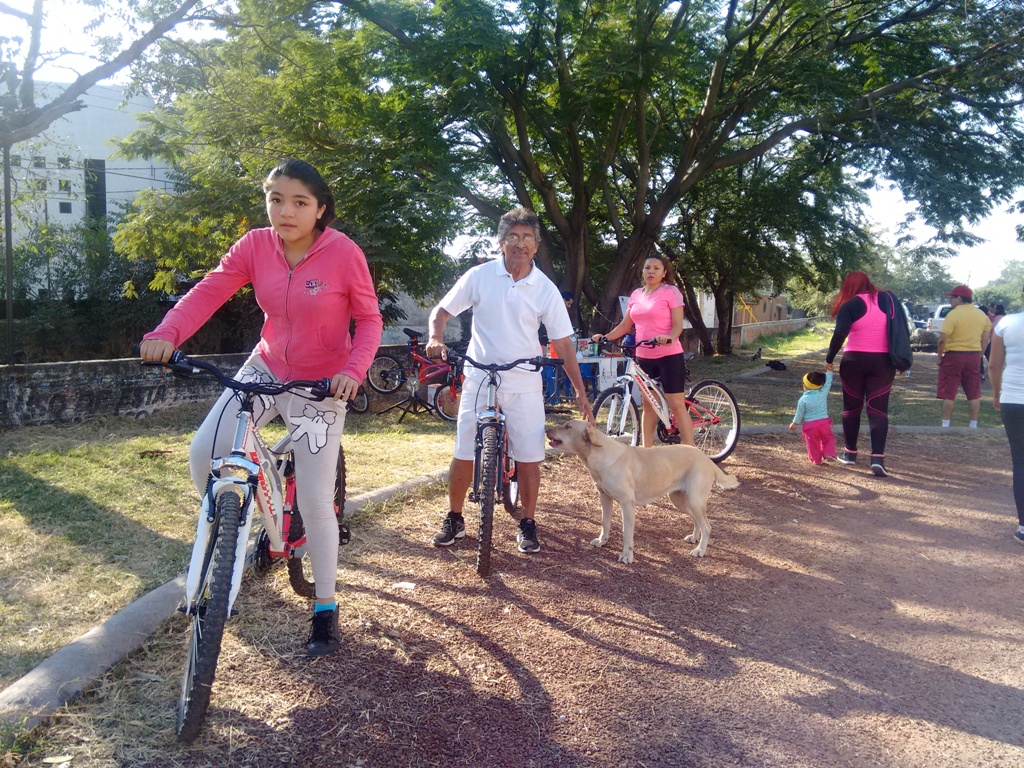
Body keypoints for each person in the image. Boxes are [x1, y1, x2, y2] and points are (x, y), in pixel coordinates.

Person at [139, 159, 383, 657]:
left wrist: (353, 372)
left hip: (322, 383)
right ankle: (240, 518)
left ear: (320, 210)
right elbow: (209, 291)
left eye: (299, 202)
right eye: (275, 199)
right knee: (205, 450)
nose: (285, 211)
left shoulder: (343, 253)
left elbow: (371, 319)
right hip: (266, 366)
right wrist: (167, 332)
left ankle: (325, 608)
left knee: (315, 502)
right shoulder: (254, 245)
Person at [425, 207, 594, 554]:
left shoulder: (544, 288)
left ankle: (528, 521)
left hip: (524, 380)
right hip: (479, 377)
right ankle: (455, 518)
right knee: (463, 450)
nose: (520, 244)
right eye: (513, 237)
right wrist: (435, 337)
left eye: (527, 238)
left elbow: (562, 342)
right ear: (501, 243)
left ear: (536, 245)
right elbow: (442, 311)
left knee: (530, 454)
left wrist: (579, 390)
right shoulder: (480, 276)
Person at [591, 254, 695, 448]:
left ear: (664, 273)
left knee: (676, 404)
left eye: (656, 268)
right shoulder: (637, 295)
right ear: (643, 270)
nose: (651, 272)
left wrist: (670, 337)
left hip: (669, 355)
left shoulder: (671, 292)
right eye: (648, 268)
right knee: (648, 406)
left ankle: (692, 453)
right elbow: (625, 325)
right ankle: (647, 452)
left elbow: (678, 325)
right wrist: (606, 337)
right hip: (644, 357)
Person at [825, 271, 905, 477]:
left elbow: (839, 335)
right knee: (878, 410)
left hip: (854, 362)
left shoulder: (849, 305)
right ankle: (877, 458)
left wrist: (829, 358)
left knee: (851, 408)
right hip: (883, 362)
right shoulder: (887, 301)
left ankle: (850, 454)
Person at [990, 287, 1024, 544]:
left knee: (1021, 462)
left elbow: (993, 364)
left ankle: (1023, 526)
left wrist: (996, 393)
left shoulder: (1006, 323)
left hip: (1013, 398)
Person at [937, 285, 991, 429]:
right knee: (974, 391)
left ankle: (945, 424)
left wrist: (940, 355)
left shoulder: (953, 314)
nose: (950, 300)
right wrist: (980, 354)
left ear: (959, 298)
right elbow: (985, 338)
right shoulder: (981, 315)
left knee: (949, 392)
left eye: (952, 297)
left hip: (954, 355)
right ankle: (973, 424)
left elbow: (943, 338)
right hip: (973, 356)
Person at [789, 371, 838, 465]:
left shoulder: (802, 400)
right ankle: (829, 453)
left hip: (810, 426)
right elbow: (827, 383)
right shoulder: (822, 393)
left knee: (812, 444)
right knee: (828, 438)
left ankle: (816, 460)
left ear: (805, 386)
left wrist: (794, 423)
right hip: (824, 423)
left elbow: (799, 414)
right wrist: (829, 371)